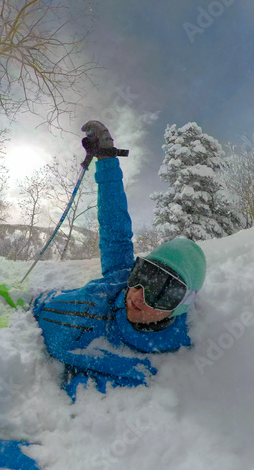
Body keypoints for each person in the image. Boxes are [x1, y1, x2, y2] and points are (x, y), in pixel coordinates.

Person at [32, 120, 207, 401]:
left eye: (162, 292)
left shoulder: (139, 367)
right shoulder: (120, 279)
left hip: (31, 348)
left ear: (178, 307)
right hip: (38, 305)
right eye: (143, 275)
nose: (138, 294)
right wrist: (106, 160)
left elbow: (76, 415)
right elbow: (115, 227)